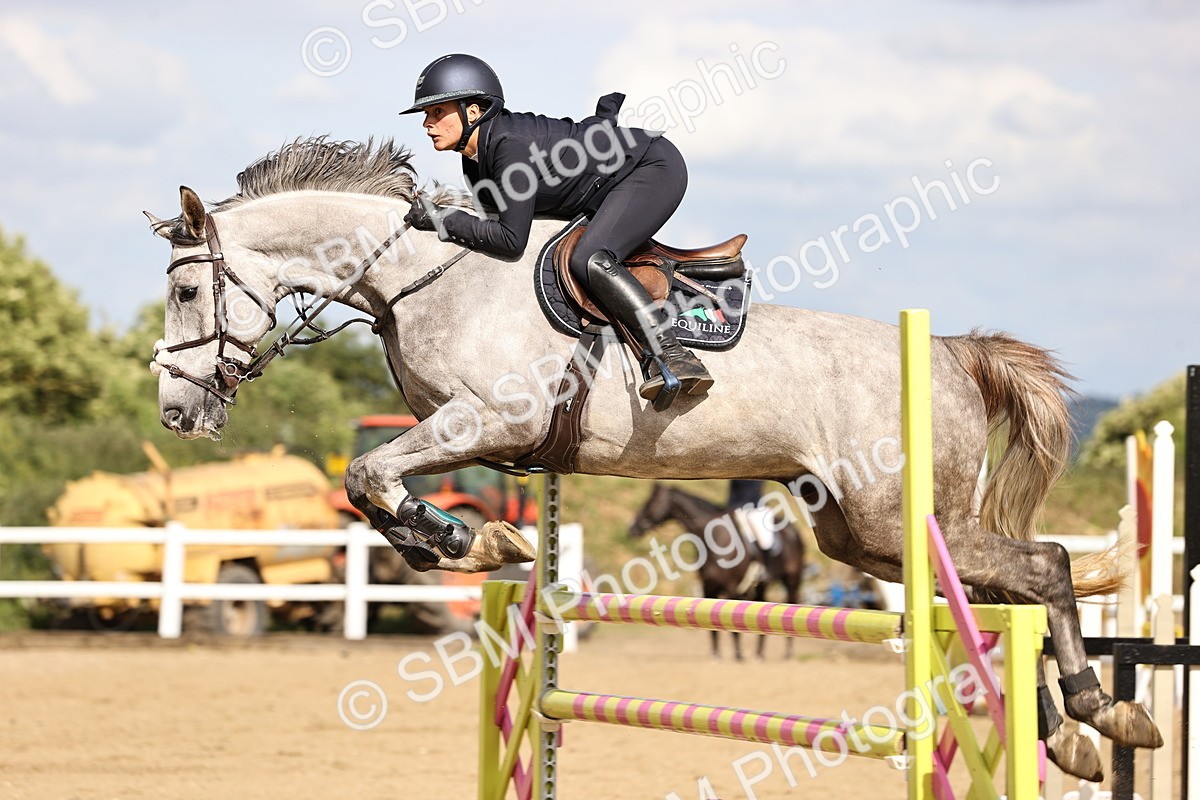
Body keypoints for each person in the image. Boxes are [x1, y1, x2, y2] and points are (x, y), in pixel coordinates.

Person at [399, 53, 712, 403]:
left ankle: (674, 354)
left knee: (590, 258)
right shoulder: (475, 163)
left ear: (473, 111)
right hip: (607, 184)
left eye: (437, 112)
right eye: (427, 114)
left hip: (653, 168)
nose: (427, 123)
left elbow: (510, 240)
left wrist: (441, 219)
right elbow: (489, 228)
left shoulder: (508, 150)